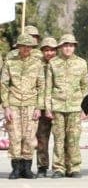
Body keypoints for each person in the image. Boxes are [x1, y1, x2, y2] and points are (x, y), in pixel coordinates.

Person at [45, 33, 88, 177]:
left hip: (75, 107)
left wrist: (86, 109)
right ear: (60, 47)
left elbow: (85, 87)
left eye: (71, 46)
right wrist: (47, 108)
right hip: (57, 106)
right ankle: (59, 168)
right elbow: (48, 87)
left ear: (74, 47)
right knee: (58, 139)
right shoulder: (53, 63)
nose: (68, 48)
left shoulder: (81, 63)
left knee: (74, 139)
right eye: (65, 46)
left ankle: (74, 167)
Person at [1, 33, 44, 179]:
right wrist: (6, 106)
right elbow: (3, 85)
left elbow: (41, 86)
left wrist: (39, 107)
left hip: (31, 104)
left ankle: (27, 169)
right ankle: (16, 169)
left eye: (29, 46)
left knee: (29, 137)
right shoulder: (10, 63)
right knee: (15, 136)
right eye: (23, 46)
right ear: (18, 46)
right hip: (13, 104)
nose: (26, 49)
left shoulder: (37, 63)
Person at [34, 37, 56, 176]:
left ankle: (61, 167)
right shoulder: (37, 64)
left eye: (52, 50)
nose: (49, 53)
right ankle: (42, 166)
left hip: (59, 106)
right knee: (42, 139)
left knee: (61, 139)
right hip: (41, 107)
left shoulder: (60, 63)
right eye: (46, 50)